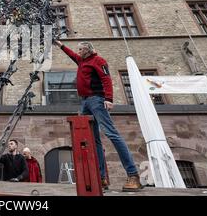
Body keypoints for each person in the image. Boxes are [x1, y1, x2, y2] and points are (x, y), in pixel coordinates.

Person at [54, 40, 142, 191]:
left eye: (81, 49)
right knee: (94, 140)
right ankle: (101, 178)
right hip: (85, 102)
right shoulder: (82, 60)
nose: (79, 52)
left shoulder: (98, 60)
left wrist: (108, 98)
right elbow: (72, 55)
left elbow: (106, 79)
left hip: (97, 100)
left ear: (88, 50)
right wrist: (60, 45)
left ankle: (133, 175)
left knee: (111, 133)